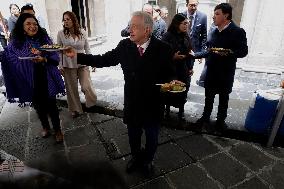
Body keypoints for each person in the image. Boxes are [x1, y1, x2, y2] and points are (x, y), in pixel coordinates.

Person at [64, 11, 178, 176]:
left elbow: (170, 73)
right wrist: (78, 56)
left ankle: (148, 160)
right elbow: (103, 59)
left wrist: (173, 81)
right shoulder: (125, 46)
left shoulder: (163, 49)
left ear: (147, 30)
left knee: (152, 135)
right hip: (132, 100)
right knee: (133, 134)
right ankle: (136, 157)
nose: (130, 30)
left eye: (134, 27)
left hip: (153, 101)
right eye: (129, 26)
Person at [0, 13, 65, 143]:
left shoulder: (44, 39)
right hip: (29, 80)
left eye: (35, 24)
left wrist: (44, 58)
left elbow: (55, 58)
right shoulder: (16, 43)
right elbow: (7, 56)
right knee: (38, 106)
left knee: (51, 106)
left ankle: (57, 130)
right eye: (28, 24)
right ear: (22, 26)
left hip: (46, 78)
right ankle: (46, 127)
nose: (32, 26)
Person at [194, 3, 248, 132]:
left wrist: (229, 53)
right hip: (211, 70)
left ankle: (220, 121)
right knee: (209, 97)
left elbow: (243, 51)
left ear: (226, 15)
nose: (214, 17)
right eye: (214, 14)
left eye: (217, 14)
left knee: (224, 98)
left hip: (226, 72)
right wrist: (194, 55)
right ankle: (205, 118)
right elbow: (209, 50)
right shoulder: (213, 30)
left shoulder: (238, 31)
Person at [57, 11, 97, 118]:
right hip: (68, 64)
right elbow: (59, 51)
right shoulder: (60, 33)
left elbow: (87, 47)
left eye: (68, 19)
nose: (66, 21)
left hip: (82, 62)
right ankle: (75, 109)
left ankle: (91, 104)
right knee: (71, 88)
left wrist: (92, 61)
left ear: (73, 20)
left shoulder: (82, 32)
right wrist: (60, 65)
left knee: (86, 85)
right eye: (64, 19)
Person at [162, 13, 194, 120]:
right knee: (169, 91)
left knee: (182, 91)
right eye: (184, 23)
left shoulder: (186, 36)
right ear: (177, 24)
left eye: (187, 24)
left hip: (183, 69)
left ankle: (181, 112)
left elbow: (189, 53)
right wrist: (172, 57)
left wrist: (190, 68)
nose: (186, 26)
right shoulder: (167, 36)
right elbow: (161, 53)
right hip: (170, 69)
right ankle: (166, 112)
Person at [182, 0, 207, 86]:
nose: (193, 8)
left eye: (195, 6)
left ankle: (186, 90)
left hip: (193, 51)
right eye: (191, 5)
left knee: (189, 70)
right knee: (180, 70)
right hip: (181, 48)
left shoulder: (203, 17)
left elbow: (204, 36)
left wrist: (202, 53)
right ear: (186, 4)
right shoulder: (181, 15)